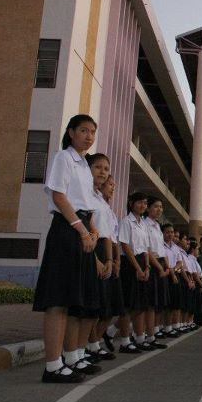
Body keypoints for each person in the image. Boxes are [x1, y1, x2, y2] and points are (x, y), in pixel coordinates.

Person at [33, 115, 100, 383]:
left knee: (74, 300)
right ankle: (52, 365)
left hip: (81, 229)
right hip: (67, 230)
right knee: (58, 300)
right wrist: (82, 230)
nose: (89, 136)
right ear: (71, 132)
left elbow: (85, 204)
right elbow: (59, 196)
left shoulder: (84, 164)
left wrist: (92, 230)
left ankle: (70, 358)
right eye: (83, 130)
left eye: (93, 131)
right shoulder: (64, 157)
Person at [84, 155, 117, 364]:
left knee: (102, 306)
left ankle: (91, 345)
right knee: (90, 306)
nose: (103, 173)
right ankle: (86, 348)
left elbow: (106, 236)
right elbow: (88, 227)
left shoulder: (103, 204)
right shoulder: (88, 196)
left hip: (103, 252)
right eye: (98, 167)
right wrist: (96, 259)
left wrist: (111, 261)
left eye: (106, 169)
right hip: (89, 248)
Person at [118, 192, 154, 353]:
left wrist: (146, 267)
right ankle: (125, 341)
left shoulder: (143, 224)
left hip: (142, 262)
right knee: (128, 304)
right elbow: (125, 246)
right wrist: (138, 269)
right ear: (131, 203)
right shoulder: (126, 221)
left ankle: (114, 331)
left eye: (145, 203)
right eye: (139, 202)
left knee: (140, 304)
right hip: (129, 263)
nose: (143, 206)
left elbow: (146, 249)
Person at [144, 197, 169, 347]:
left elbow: (161, 249)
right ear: (148, 208)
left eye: (161, 207)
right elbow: (148, 251)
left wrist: (166, 266)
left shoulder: (157, 226)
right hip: (152, 264)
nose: (159, 209)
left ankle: (150, 335)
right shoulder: (145, 224)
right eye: (155, 206)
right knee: (150, 304)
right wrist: (160, 268)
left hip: (160, 264)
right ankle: (148, 336)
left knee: (157, 303)